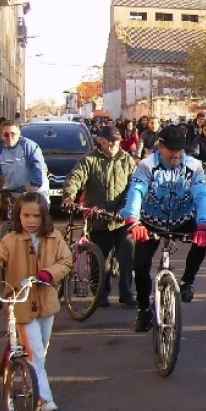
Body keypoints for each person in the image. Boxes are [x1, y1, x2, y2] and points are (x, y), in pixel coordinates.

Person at [0, 191, 73, 411]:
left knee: (40, 351)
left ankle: (31, 382)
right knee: (36, 353)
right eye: (25, 215)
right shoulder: (11, 240)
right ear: (18, 216)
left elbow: (66, 261)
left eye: (36, 216)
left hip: (46, 304)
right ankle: (43, 398)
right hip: (20, 304)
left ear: (44, 217)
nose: (30, 221)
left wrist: (49, 274)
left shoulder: (55, 238)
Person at [121, 124, 206, 332]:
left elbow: (202, 195)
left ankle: (188, 281)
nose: (176, 154)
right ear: (160, 147)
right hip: (150, 222)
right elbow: (136, 190)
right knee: (141, 264)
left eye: (180, 149)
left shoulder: (194, 166)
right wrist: (133, 220)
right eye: (171, 149)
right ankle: (144, 309)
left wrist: (204, 224)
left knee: (205, 237)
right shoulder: (147, 165)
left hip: (183, 219)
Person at [61, 124, 139, 307]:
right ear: (101, 142)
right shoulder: (89, 160)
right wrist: (69, 196)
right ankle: (100, 294)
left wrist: (125, 207)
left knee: (126, 255)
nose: (113, 144)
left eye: (116, 141)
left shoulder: (127, 160)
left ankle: (126, 293)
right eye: (109, 141)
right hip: (98, 218)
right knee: (98, 258)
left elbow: (134, 186)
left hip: (120, 218)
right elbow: (75, 177)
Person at [0, 119, 50, 202]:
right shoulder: (1, 152)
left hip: (36, 194)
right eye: (6, 134)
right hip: (17, 195)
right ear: (1, 135)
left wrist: (35, 185)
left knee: (34, 213)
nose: (9, 138)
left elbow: (37, 166)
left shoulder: (28, 146)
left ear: (19, 134)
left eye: (13, 134)